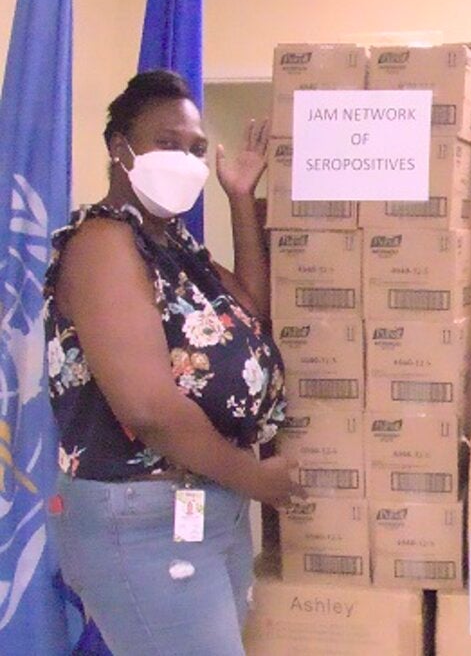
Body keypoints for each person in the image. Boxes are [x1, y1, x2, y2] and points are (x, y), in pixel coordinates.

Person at [44, 70, 302, 656]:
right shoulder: (105, 244)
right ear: (118, 147)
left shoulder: (171, 243)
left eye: (195, 148)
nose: (185, 159)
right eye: (167, 143)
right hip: (141, 519)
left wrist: (240, 198)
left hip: (207, 504)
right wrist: (258, 480)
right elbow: (148, 408)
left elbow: (247, 312)